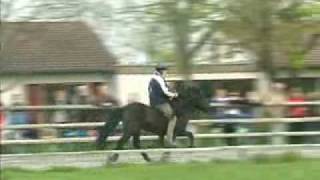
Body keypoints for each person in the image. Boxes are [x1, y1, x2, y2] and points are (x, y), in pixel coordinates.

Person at [148, 64, 178, 147]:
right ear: (161, 71)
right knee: (173, 118)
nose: (166, 73)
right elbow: (165, 91)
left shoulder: (153, 79)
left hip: (153, 102)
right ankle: (169, 141)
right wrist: (175, 95)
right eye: (165, 71)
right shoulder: (159, 79)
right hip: (160, 103)